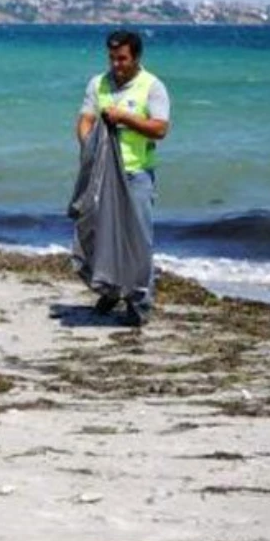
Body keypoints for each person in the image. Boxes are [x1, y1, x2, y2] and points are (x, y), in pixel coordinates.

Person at [76, 29, 171, 327]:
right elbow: (85, 119)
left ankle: (139, 303)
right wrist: (89, 146)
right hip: (103, 174)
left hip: (136, 174)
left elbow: (160, 129)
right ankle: (109, 289)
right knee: (101, 233)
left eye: (122, 59)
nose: (116, 64)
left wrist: (125, 119)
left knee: (138, 241)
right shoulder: (98, 83)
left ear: (136, 57)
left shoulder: (152, 87)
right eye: (112, 58)